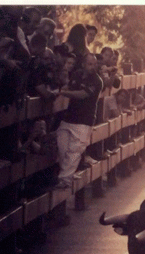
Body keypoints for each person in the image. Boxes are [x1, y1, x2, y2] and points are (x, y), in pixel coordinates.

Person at [54, 53, 103, 189]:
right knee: (62, 148)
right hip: (69, 118)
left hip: (84, 121)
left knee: (75, 151)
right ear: (83, 64)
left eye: (94, 64)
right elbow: (69, 87)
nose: (93, 67)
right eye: (89, 64)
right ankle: (69, 173)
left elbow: (83, 94)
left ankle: (64, 180)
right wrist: (59, 90)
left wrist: (63, 93)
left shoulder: (97, 81)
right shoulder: (76, 75)